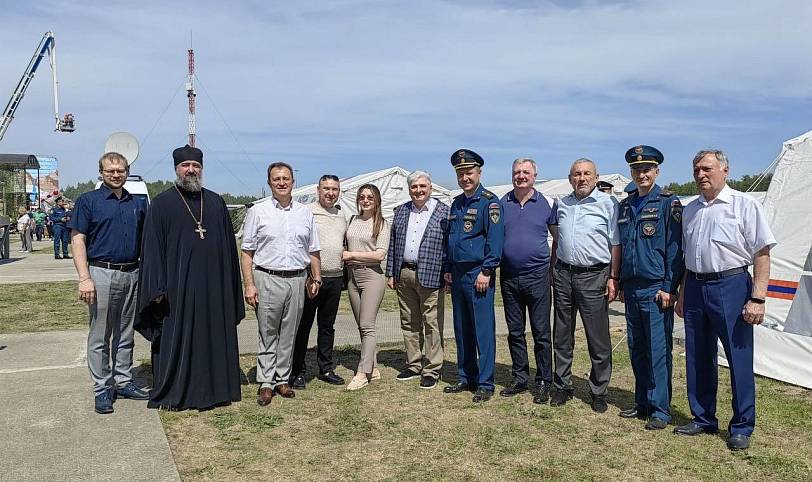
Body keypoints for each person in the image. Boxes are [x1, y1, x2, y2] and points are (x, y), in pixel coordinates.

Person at [674, 149, 776, 451]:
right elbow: (686, 256)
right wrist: (682, 293)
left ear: (725, 170)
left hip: (731, 284)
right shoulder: (690, 210)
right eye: (696, 170)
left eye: (707, 169)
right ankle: (703, 417)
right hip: (695, 286)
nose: (701, 175)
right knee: (697, 355)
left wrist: (757, 297)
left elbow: (762, 253)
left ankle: (742, 425)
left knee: (738, 358)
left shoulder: (744, 205)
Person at [135, 144, 244, 410]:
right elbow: (151, 249)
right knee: (177, 337)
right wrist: (156, 287)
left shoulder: (216, 202)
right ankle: (179, 390)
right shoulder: (162, 204)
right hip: (177, 289)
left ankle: (218, 390)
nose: (191, 170)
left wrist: (232, 287)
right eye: (186, 166)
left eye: (196, 166)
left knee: (214, 335)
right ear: (176, 169)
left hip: (214, 287)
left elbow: (230, 249)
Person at [69, 152, 149, 414]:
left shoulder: (137, 202)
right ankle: (102, 387)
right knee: (100, 333)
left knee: (125, 332)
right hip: (101, 272)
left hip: (132, 272)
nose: (116, 174)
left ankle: (123, 380)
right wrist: (84, 278)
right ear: (101, 173)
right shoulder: (88, 201)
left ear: (127, 171)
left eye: (120, 170)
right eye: (110, 170)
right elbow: (78, 238)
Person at [241, 162, 321, 405]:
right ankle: (265, 382)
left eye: (286, 178)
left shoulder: (304, 213)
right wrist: (249, 284)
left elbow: (313, 249)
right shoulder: (258, 211)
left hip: (297, 279)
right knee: (268, 331)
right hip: (267, 277)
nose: (282, 182)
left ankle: (282, 379)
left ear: (292, 182)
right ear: (269, 182)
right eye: (277, 179)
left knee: (289, 332)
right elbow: (247, 251)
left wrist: (316, 277)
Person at [616, 145, 683, 430]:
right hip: (631, 288)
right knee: (637, 347)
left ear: (657, 171)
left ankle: (660, 409)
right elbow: (622, 246)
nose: (641, 174)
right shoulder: (626, 205)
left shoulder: (669, 203)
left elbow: (676, 249)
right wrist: (618, 281)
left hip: (657, 288)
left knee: (658, 350)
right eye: (636, 169)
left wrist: (669, 287)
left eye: (647, 169)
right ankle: (642, 402)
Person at [550, 158, 620, 412]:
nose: (582, 178)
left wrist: (613, 277)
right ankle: (562, 385)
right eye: (577, 174)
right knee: (562, 334)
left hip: (594, 276)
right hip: (564, 274)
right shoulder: (562, 204)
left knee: (597, 337)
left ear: (596, 176)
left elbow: (615, 244)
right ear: (570, 179)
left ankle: (599, 390)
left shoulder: (609, 204)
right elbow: (558, 240)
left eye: (586, 173)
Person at [443, 149, 504, 403]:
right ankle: (466, 377)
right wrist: (447, 269)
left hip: (478, 273)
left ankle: (485, 382)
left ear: (479, 172)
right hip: (457, 274)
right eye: (460, 173)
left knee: (482, 330)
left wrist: (487, 270)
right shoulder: (457, 203)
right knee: (461, 328)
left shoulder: (490, 202)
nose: (465, 177)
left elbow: (495, 240)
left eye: (469, 172)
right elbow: (451, 238)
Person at [499, 158, 557, 403]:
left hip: (538, 277)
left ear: (535, 175)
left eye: (526, 172)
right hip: (510, 277)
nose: (521, 176)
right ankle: (520, 377)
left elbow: (558, 237)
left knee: (541, 332)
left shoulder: (546, 203)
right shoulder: (502, 203)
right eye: (517, 172)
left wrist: (551, 267)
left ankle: (544, 380)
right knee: (515, 332)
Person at [386, 170, 449, 389]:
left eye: (423, 186)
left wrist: (448, 274)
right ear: (409, 189)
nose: (419, 190)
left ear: (430, 188)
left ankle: (432, 368)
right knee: (409, 321)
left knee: (432, 322)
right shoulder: (401, 211)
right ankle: (413, 363)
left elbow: (448, 247)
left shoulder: (443, 212)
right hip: (404, 273)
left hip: (432, 274)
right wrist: (391, 273)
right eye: (414, 187)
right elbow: (393, 243)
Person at [290, 175, 347, 389]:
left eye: (334, 189)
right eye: (326, 189)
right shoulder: (306, 212)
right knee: (303, 325)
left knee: (327, 326)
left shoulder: (341, 214)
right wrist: (311, 275)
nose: (330, 193)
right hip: (311, 277)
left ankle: (326, 368)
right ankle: (297, 370)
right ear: (318, 190)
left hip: (334, 278)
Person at [344, 184, 391, 390]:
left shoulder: (381, 224)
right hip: (352, 277)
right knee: (361, 325)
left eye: (370, 197)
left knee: (367, 325)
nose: (365, 200)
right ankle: (373, 367)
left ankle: (362, 373)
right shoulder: (353, 220)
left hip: (371, 276)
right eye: (362, 196)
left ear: (377, 200)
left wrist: (352, 255)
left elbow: (380, 254)